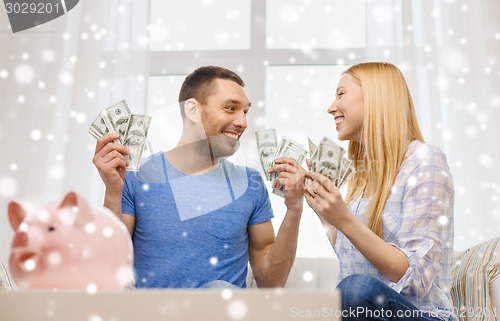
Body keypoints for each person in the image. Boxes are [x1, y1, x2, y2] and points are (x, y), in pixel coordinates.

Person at [93, 66, 306, 288]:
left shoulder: (250, 184)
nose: (243, 122)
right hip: (157, 314)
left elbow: (271, 281)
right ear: (193, 110)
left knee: (219, 290)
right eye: (230, 108)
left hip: (221, 312)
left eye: (245, 112)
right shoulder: (137, 176)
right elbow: (109, 268)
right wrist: (112, 192)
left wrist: (294, 209)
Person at [304, 62, 457, 321]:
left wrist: (344, 218)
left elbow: (416, 278)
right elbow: (355, 259)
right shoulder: (362, 176)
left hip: (424, 315)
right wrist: (324, 211)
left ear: (376, 98)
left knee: (355, 289)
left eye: (341, 94)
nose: (330, 107)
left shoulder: (425, 160)